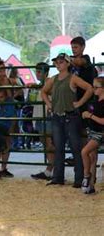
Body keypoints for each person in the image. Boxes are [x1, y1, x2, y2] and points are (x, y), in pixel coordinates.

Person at [41, 53, 92, 187]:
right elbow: (43, 92)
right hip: (58, 116)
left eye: (61, 62)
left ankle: (78, 179)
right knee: (59, 148)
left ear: (68, 64)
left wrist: (79, 103)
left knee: (75, 148)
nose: (58, 64)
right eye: (57, 62)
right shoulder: (53, 79)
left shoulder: (73, 78)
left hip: (71, 116)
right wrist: (49, 104)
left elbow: (89, 88)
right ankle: (59, 177)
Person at [66, 36, 97, 166]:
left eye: (76, 47)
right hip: (76, 101)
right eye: (72, 47)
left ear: (83, 47)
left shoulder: (86, 59)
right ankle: (80, 157)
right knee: (77, 131)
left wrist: (67, 59)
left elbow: (80, 62)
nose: (73, 50)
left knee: (86, 131)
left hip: (87, 101)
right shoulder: (71, 65)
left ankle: (87, 158)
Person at [30, 63, 55, 180]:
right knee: (45, 143)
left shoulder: (50, 82)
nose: (37, 74)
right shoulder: (41, 84)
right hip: (40, 116)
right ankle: (50, 170)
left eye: (40, 72)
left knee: (49, 143)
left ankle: (51, 170)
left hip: (47, 116)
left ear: (46, 73)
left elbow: (52, 93)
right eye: (37, 71)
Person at [80, 76, 104, 194]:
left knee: (84, 152)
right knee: (93, 158)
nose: (94, 89)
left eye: (96, 87)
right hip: (93, 131)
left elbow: (103, 121)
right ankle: (91, 186)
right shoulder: (96, 102)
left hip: (100, 133)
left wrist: (90, 116)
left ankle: (86, 176)